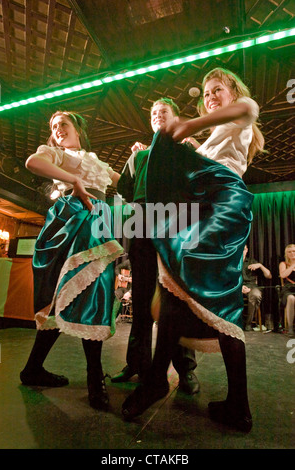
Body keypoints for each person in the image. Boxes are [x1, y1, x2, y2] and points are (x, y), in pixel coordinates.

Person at [121, 67, 265, 433]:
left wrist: (184, 127)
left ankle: (164, 381)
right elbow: (184, 160)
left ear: (233, 90)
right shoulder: (212, 137)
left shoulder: (242, 111)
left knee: (210, 297)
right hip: (203, 207)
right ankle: (233, 403)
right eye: (205, 92)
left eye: (217, 89)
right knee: (178, 289)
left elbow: (246, 110)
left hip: (223, 202)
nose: (210, 96)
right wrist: (154, 150)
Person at [20, 111, 123, 410]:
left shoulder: (97, 160)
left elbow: (126, 182)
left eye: (63, 124)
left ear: (78, 128)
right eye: (54, 127)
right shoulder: (55, 153)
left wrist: (142, 157)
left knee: (81, 294)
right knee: (87, 293)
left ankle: (32, 369)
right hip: (72, 217)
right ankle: (94, 377)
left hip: (97, 219)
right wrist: (74, 180)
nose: (58, 129)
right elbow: (33, 163)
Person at [113, 98, 200, 395]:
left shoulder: (184, 148)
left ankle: (185, 369)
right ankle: (137, 364)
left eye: (164, 112)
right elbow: (124, 190)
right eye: (153, 113)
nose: (158, 116)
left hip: (175, 227)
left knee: (175, 298)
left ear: (175, 118)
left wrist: (194, 147)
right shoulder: (137, 157)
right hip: (141, 227)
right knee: (140, 297)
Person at [242, 245, 272, 331]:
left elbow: (269, 276)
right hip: (237, 287)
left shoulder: (252, 261)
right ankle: (236, 322)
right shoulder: (232, 261)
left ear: (247, 250)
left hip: (252, 287)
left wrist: (260, 265)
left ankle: (248, 323)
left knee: (255, 295)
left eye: (243, 249)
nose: (242, 251)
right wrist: (239, 287)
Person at [279, 244, 295, 336]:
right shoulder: (283, 264)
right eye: (290, 252)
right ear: (286, 254)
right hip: (288, 289)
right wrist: (293, 265)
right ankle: (290, 328)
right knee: (291, 298)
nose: (292, 253)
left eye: (294, 251)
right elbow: (283, 275)